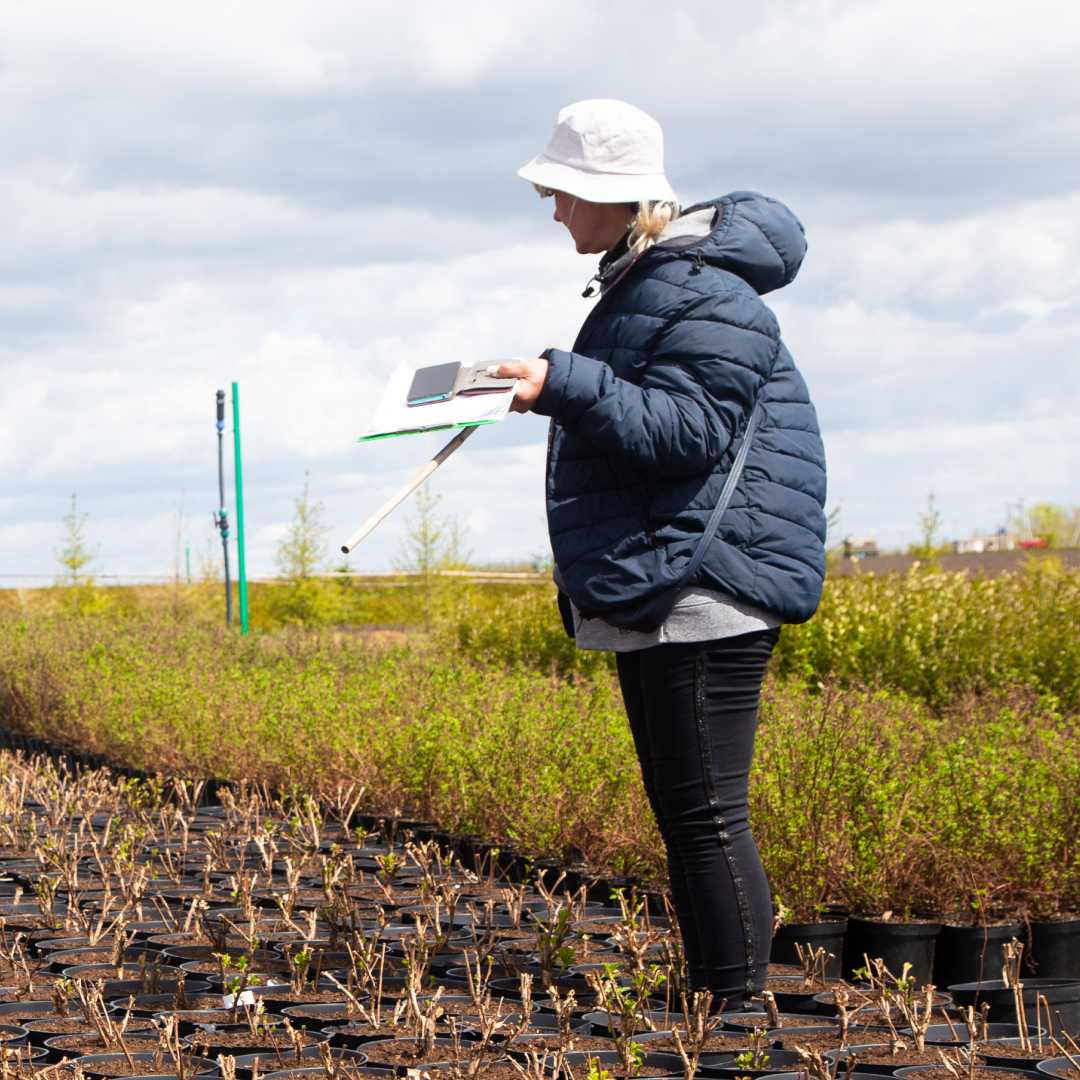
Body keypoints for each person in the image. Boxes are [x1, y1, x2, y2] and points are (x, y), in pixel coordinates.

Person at [495, 99, 827, 1007]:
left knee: (707, 815)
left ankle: (735, 1014)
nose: (555, 209)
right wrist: (560, 383)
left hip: (706, 583)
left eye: (564, 192)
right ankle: (720, 997)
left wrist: (563, 380)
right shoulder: (647, 283)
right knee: (690, 816)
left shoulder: (703, 294)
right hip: (669, 578)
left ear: (617, 196)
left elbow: (684, 433)